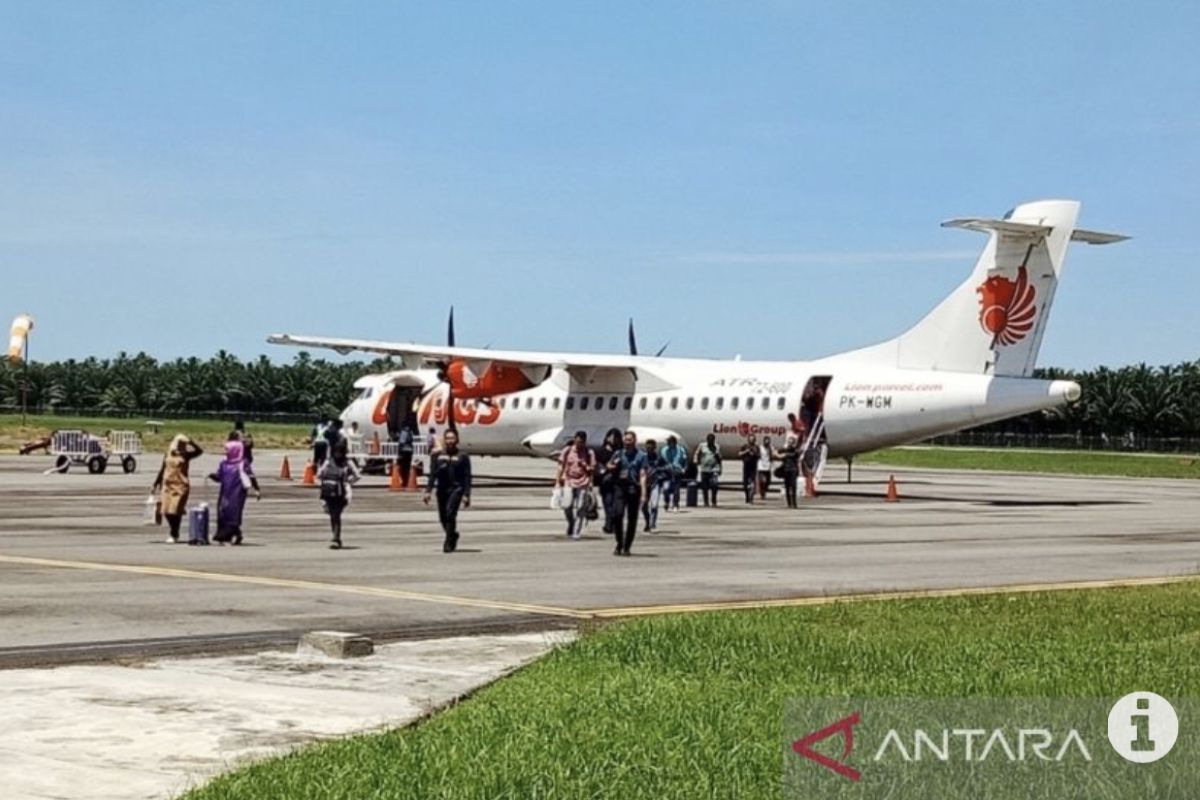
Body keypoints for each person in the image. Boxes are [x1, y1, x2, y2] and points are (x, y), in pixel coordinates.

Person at [424, 428, 472, 553]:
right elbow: (433, 474)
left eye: (452, 438)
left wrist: (467, 495)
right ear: (444, 440)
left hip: (456, 488)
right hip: (442, 489)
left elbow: (467, 476)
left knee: (451, 513)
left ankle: (448, 542)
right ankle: (452, 534)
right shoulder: (437, 455)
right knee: (443, 517)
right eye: (448, 438)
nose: (450, 441)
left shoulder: (463, 456)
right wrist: (428, 491)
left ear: (457, 440)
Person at [151, 435, 204, 544]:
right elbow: (162, 468)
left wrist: (191, 442)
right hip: (167, 484)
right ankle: (173, 530)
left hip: (180, 485)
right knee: (165, 510)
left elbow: (199, 451)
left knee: (175, 510)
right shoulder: (168, 453)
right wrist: (156, 482)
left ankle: (174, 533)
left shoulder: (186, 455)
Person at [208, 439, 260, 545]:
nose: (225, 452)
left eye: (227, 449)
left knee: (233, 514)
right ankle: (231, 534)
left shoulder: (243, 464)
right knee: (223, 513)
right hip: (225, 492)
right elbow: (220, 477)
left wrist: (256, 489)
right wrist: (213, 476)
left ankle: (227, 536)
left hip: (237, 493)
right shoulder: (223, 464)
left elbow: (251, 476)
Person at [607, 430, 648, 556]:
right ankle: (619, 542)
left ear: (634, 441)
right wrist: (612, 467)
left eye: (629, 440)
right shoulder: (618, 453)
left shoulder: (641, 456)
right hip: (620, 487)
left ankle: (627, 546)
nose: (627, 442)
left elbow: (643, 475)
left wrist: (643, 494)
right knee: (617, 515)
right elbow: (609, 465)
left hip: (633, 488)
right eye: (625, 440)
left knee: (632, 519)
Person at [318, 440, 360, 549]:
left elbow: (357, 475)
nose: (338, 454)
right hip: (329, 491)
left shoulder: (347, 462)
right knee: (333, 515)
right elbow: (319, 474)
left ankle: (336, 538)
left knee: (336, 515)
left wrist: (346, 481)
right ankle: (336, 537)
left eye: (340, 452)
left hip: (343, 493)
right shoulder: (329, 461)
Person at [555, 430, 596, 539]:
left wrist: (586, 467)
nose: (579, 445)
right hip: (569, 481)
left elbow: (592, 469)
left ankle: (576, 531)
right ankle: (571, 522)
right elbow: (560, 466)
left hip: (583, 482)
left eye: (582, 442)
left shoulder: (589, 452)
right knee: (567, 505)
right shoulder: (567, 451)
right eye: (577, 442)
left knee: (581, 507)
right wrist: (558, 481)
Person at [596, 428, 623, 534]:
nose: (614, 440)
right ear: (607, 438)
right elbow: (597, 466)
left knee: (617, 507)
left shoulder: (620, 452)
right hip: (605, 482)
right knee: (608, 505)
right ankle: (609, 525)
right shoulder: (601, 451)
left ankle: (613, 525)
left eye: (617, 438)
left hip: (618, 482)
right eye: (612, 437)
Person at [642, 439, 672, 532]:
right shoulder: (642, 458)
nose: (649, 449)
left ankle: (652, 523)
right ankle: (647, 522)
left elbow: (668, 467)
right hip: (644, 484)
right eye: (648, 448)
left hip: (655, 483)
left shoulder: (659, 458)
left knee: (654, 505)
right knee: (643, 506)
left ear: (654, 448)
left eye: (651, 448)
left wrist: (658, 470)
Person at [661, 435, 688, 511]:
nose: (668, 443)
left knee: (676, 489)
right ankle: (666, 502)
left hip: (677, 472)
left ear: (674, 442)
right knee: (666, 489)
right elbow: (661, 461)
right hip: (667, 472)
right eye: (668, 442)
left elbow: (685, 460)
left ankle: (675, 504)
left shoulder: (681, 450)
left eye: (670, 442)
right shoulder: (664, 450)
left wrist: (684, 469)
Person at [694, 433, 722, 507]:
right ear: (707, 440)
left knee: (714, 484)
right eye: (710, 440)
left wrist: (720, 469)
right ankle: (706, 501)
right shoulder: (702, 446)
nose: (711, 442)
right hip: (704, 469)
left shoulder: (717, 446)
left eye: (712, 440)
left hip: (714, 468)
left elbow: (719, 459)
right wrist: (696, 461)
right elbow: (697, 453)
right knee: (705, 486)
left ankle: (714, 500)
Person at [776, 434, 802, 508]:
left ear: (794, 443)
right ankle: (789, 503)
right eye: (789, 442)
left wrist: (785, 454)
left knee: (793, 486)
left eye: (791, 442)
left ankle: (794, 503)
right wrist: (779, 455)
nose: (790, 443)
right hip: (786, 469)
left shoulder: (795, 450)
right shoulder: (784, 449)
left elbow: (795, 454)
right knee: (787, 487)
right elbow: (776, 452)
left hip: (793, 469)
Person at [737, 434, 759, 504]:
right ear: (748, 439)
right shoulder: (745, 446)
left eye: (753, 439)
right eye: (750, 439)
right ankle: (747, 496)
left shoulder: (756, 447)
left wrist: (754, 454)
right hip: (746, 466)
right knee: (745, 484)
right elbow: (739, 454)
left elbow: (759, 455)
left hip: (753, 467)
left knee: (752, 483)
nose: (752, 440)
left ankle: (751, 498)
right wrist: (746, 451)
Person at [758, 435, 774, 500]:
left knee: (768, 481)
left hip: (768, 466)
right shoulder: (760, 448)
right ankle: (762, 493)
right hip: (761, 467)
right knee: (763, 481)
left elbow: (773, 456)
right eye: (766, 441)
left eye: (768, 441)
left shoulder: (771, 448)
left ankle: (764, 491)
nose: (767, 442)